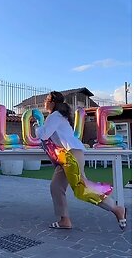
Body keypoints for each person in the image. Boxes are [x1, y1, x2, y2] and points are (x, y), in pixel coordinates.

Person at [35, 91, 127, 230]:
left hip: (71, 155)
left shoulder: (55, 116)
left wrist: (37, 128)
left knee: (82, 189)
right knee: (56, 187)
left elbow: (44, 134)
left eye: (46, 100)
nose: (44, 103)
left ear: (52, 102)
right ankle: (64, 220)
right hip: (67, 155)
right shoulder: (61, 116)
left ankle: (116, 209)